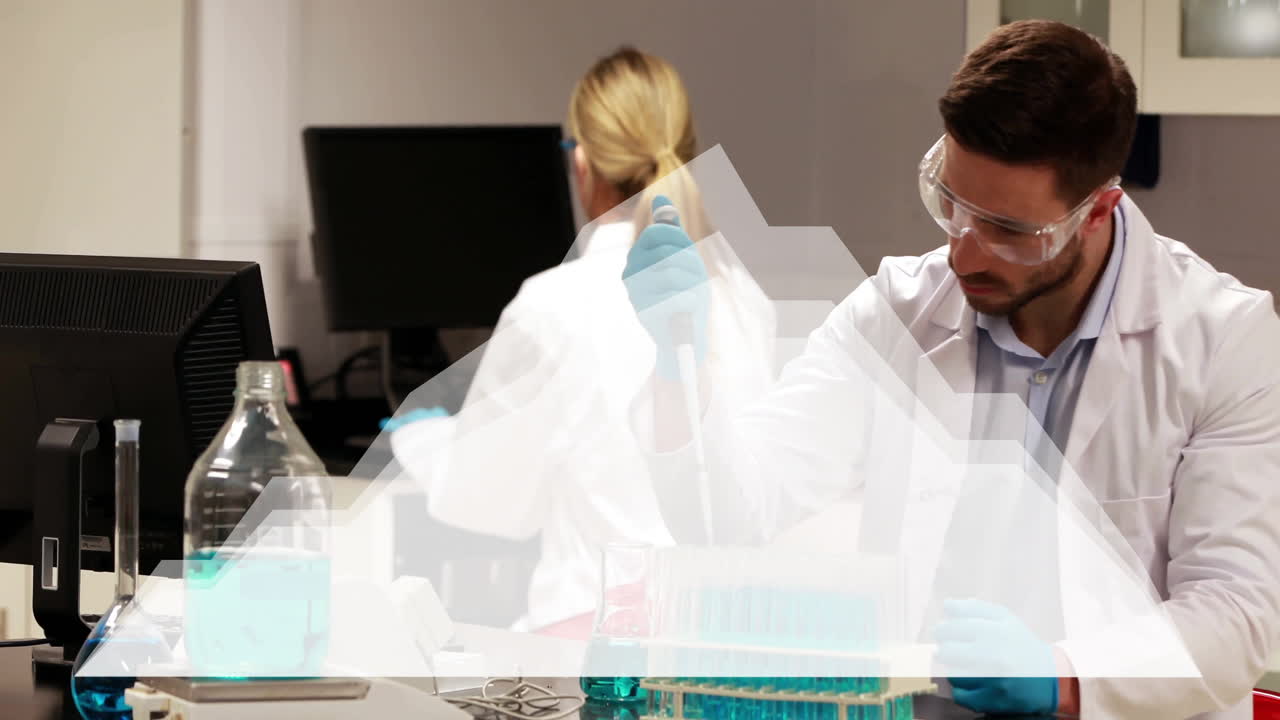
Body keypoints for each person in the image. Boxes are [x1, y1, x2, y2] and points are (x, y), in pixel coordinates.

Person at [623, 20, 1280, 719]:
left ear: (1098, 210)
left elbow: (1236, 614)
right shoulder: (895, 316)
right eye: (953, 207)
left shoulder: (1223, 341)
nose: (964, 256)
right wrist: (677, 363)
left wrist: (1063, 678)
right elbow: (732, 516)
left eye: (1008, 231)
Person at [392, 47, 775, 634]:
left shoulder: (554, 303)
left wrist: (419, 438)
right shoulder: (746, 298)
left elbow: (488, 500)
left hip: (591, 648)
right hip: (723, 640)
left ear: (583, 163)